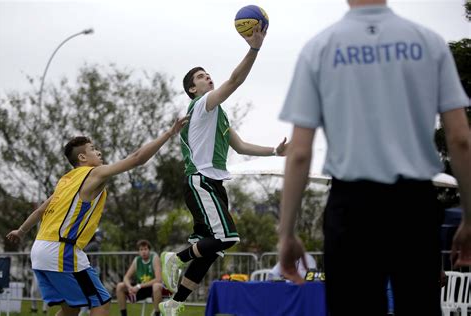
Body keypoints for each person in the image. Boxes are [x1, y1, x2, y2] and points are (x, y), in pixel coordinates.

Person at [277, 0, 471, 315]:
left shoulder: (320, 48)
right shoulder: (428, 42)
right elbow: (460, 139)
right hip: (414, 205)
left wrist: (286, 234)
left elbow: (299, 152)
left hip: (351, 208)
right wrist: (470, 217)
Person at [158, 22, 288, 315]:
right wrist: (253, 49)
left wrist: (275, 151)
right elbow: (235, 80)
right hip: (200, 180)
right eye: (202, 77)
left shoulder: (218, 114)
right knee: (227, 237)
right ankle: (175, 258)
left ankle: (174, 303)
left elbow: (240, 146)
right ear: (193, 89)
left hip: (212, 182)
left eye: (208, 75)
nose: (208, 78)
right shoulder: (202, 105)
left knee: (211, 248)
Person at [6, 116, 188, 316]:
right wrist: (170, 133)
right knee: (101, 303)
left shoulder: (65, 181)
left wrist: (21, 231)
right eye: (93, 149)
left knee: (71, 308)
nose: (98, 152)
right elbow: (137, 158)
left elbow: (40, 211)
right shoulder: (94, 174)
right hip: (61, 250)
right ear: (82, 158)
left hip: (39, 250)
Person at [116, 240, 168, 316]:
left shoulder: (154, 258)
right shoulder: (137, 260)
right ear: (138, 252)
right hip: (141, 288)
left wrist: (138, 286)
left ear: (149, 250)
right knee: (120, 286)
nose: (143, 252)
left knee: (156, 286)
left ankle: (157, 314)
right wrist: (130, 287)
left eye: (145, 249)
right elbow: (126, 277)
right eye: (141, 249)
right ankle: (123, 314)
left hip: (154, 288)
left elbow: (158, 279)